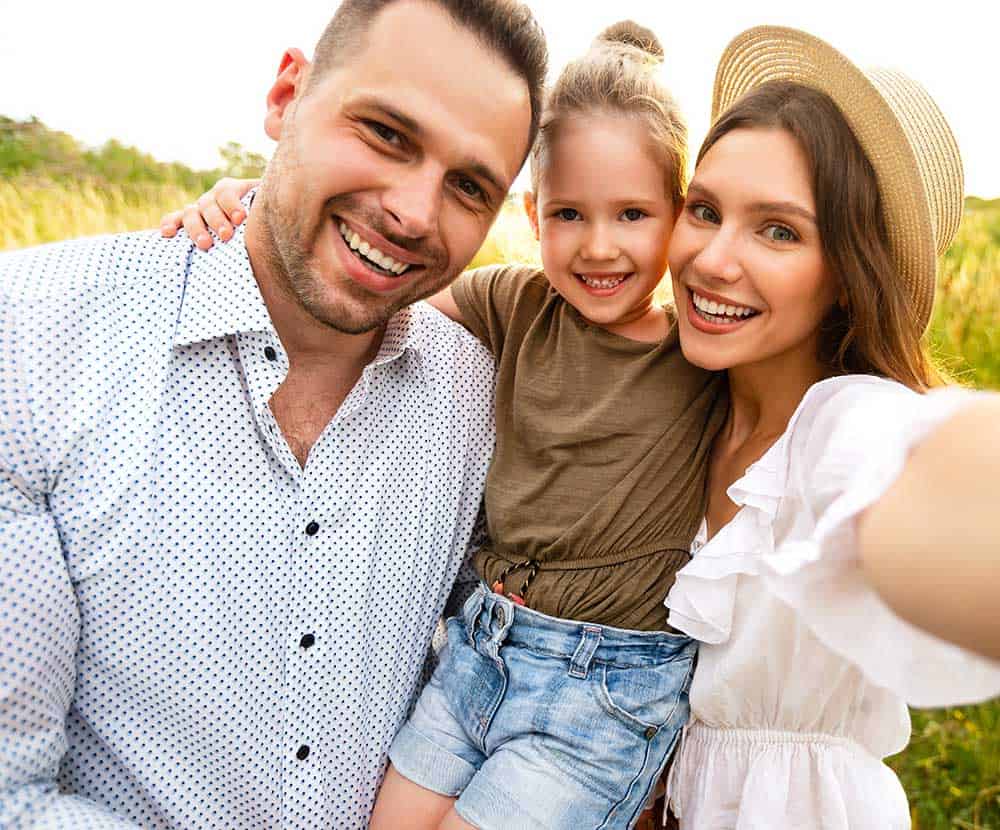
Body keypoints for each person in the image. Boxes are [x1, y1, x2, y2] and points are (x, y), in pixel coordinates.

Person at [162, 22, 728, 830]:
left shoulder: (698, 354)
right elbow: (361, 283)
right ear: (533, 214)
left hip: (605, 685)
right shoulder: (517, 305)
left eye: (633, 215)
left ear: (680, 215)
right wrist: (252, 202)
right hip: (477, 650)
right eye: (570, 214)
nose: (599, 247)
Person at [0, 2, 547, 827]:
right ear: (288, 94)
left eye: (469, 186)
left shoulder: (480, 398)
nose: (412, 214)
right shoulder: (34, 340)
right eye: (387, 133)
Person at [660, 26, 1000, 829]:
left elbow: (929, 480)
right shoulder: (675, 407)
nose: (711, 258)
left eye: (778, 230)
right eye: (703, 210)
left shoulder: (848, 420)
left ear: (849, 273)